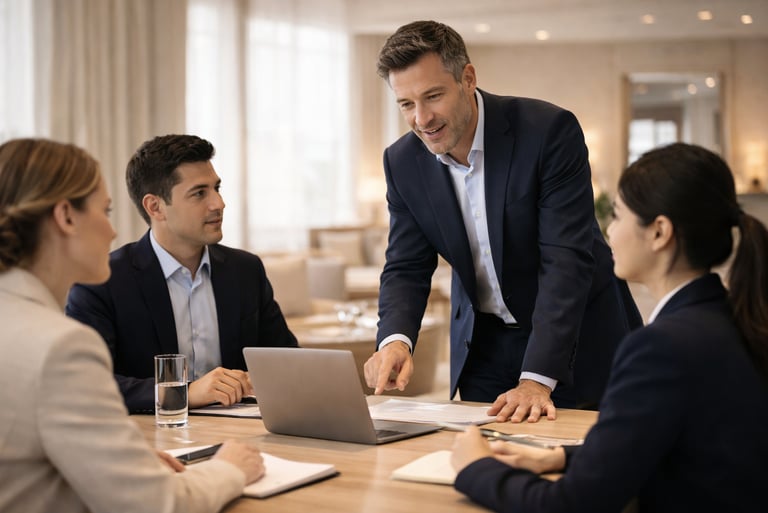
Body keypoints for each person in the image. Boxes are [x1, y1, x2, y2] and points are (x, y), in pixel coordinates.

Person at [450, 143, 768, 512]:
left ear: (659, 233)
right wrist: (562, 458)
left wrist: (476, 467)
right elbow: (683, 445)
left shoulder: (660, 347)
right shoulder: (734, 317)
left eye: (617, 217)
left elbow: (572, 505)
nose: (609, 233)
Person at [363, 20, 642, 422]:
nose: (422, 118)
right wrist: (395, 340)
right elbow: (406, 265)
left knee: (581, 467)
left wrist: (537, 379)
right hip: (484, 344)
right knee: (482, 465)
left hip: (576, 338)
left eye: (433, 96)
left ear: (468, 78)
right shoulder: (402, 161)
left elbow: (565, 261)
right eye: (406, 104)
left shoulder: (548, 132)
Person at [0, 138, 266, 513]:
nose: (112, 232)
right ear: (66, 217)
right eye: (105, 211)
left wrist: (123, 464)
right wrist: (229, 469)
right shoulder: (59, 347)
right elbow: (158, 505)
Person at [66, 134, 298, 413]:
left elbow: (288, 363)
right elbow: (88, 385)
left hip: (244, 434)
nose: (219, 203)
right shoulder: (101, 281)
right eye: (200, 193)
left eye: (217, 188)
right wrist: (184, 392)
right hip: (152, 439)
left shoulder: (245, 270)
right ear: (155, 207)